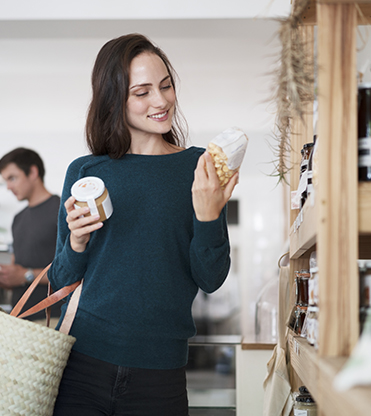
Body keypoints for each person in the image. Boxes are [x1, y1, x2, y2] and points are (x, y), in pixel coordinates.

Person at [48, 33, 238, 416]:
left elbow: (211, 278)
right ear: (113, 98)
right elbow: (60, 278)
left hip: (160, 375)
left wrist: (207, 213)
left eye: (166, 86)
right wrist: (78, 241)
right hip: (82, 365)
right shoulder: (85, 172)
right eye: (143, 92)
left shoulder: (199, 167)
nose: (161, 100)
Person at [0, 147, 62, 325]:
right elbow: (17, 263)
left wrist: (25, 275)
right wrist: (8, 277)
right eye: (6, 181)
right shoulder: (18, 218)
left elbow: (73, 270)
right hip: (19, 320)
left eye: (12, 178)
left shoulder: (61, 210)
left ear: (33, 172)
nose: (9, 186)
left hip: (50, 318)